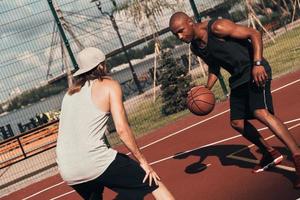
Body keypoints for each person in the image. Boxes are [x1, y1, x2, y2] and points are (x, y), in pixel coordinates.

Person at [169, 12, 300, 188]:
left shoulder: (217, 27)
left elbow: (254, 34)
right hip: (238, 78)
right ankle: (270, 153)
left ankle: (297, 154)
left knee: (260, 112)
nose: (179, 37)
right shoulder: (196, 47)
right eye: (175, 34)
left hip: (254, 69)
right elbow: (214, 66)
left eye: (180, 31)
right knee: (237, 123)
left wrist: (258, 63)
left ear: (190, 22)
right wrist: (205, 89)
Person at [56, 47, 175, 200]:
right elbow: (122, 129)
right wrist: (143, 162)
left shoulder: (70, 93)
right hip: (94, 160)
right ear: (101, 66)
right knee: (153, 182)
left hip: (68, 169)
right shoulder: (109, 85)